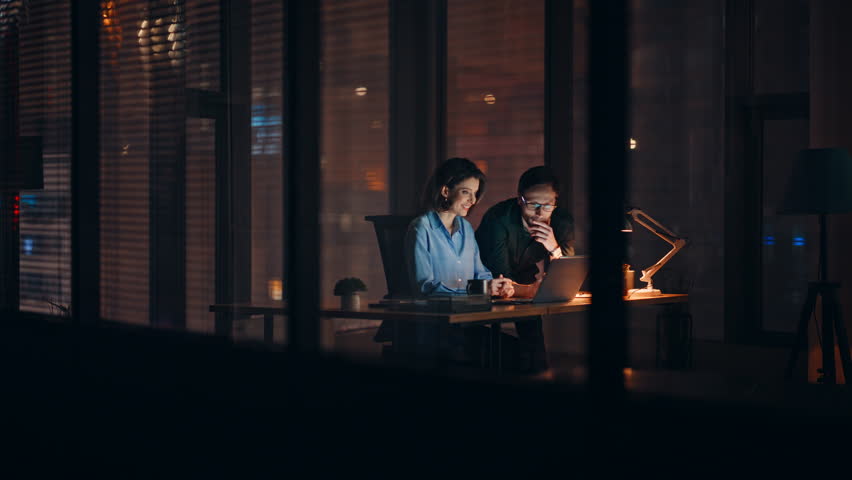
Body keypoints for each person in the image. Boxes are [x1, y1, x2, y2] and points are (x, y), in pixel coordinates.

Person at [402, 157, 518, 369]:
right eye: (466, 192)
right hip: (436, 329)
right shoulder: (421, 228)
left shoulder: (465, 228)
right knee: (507, 357)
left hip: (467, 323)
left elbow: (480, 273)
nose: (472, 200)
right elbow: (425, 287)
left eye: (475, 194)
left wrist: (496, 285)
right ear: (446, 191)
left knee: (519, 353)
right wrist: (483, 289)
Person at [475, 166, 576, 378]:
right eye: (533, 205)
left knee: (533, 339)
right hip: (485, 277)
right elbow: (501, 278)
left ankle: (538, 377)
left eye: (547, 205)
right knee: (517, 341)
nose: (540, 213)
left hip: (524, 273)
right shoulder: (499, 219)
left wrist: (553, 247)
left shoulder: (561, 221)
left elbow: (569, 272)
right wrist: (533, 289)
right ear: (520, 200)